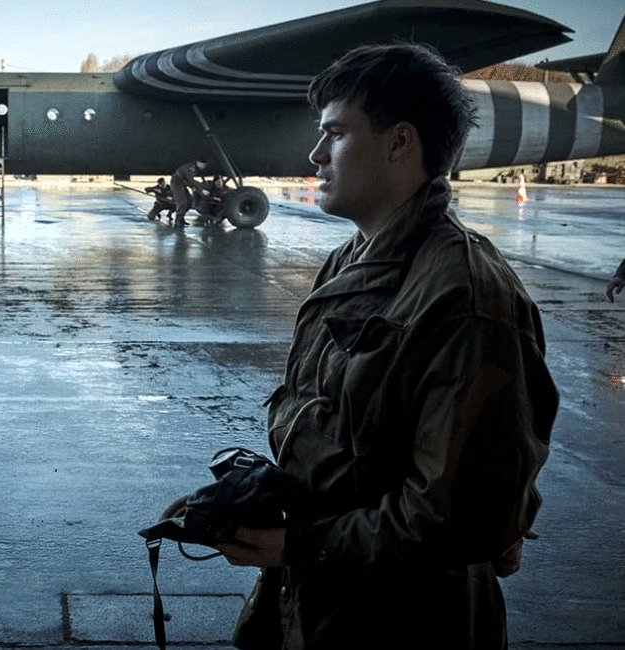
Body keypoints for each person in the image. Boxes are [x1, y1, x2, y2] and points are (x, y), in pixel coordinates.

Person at [213, 44, 557, 649]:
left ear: (399, 142)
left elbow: (456, 517)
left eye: (335, 133)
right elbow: (336, 432)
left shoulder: (465, 296)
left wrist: (301, 544)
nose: (316, 154)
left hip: (408, 624)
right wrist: (258, 499)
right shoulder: (350, 261)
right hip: (324, 606)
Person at [170, 157, 208, 228]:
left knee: (190, 201)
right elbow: (191, 180)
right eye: (203, 165)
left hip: (183, 183)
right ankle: (178, 221)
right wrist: (201, 190)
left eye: (205, 165)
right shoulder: (191, 168)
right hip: (176, 183)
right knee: (182, 202)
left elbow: (188, 180)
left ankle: (181, 218)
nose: (204, 167)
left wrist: (193, 187)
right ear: (198, 163)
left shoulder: (197, 168)